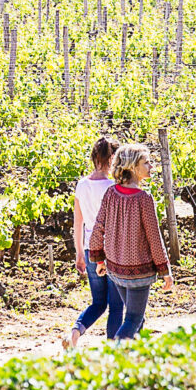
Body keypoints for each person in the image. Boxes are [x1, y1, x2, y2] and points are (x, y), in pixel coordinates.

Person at [86, 142, 169, 340]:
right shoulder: (144, 199)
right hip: (139, 271)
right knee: (133, 318)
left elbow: (98, 228)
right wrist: (165, 271)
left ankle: (134, 362)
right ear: (132, 166)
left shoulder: (110, 194)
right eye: (146, 163)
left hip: (116, 269)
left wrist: (99, 260)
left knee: (137, 321)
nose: (151, 167)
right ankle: (114, 356)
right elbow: (154, 239)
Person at [63, 136, 123, 351]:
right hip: (112, 250)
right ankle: (112, 349)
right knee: (117, 305)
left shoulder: (82, 185)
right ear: (111, 159)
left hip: (90, 249)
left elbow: (78, 222)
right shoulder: (113, 187)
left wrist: (79, 253)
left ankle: (74, 334)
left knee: (98, 303)